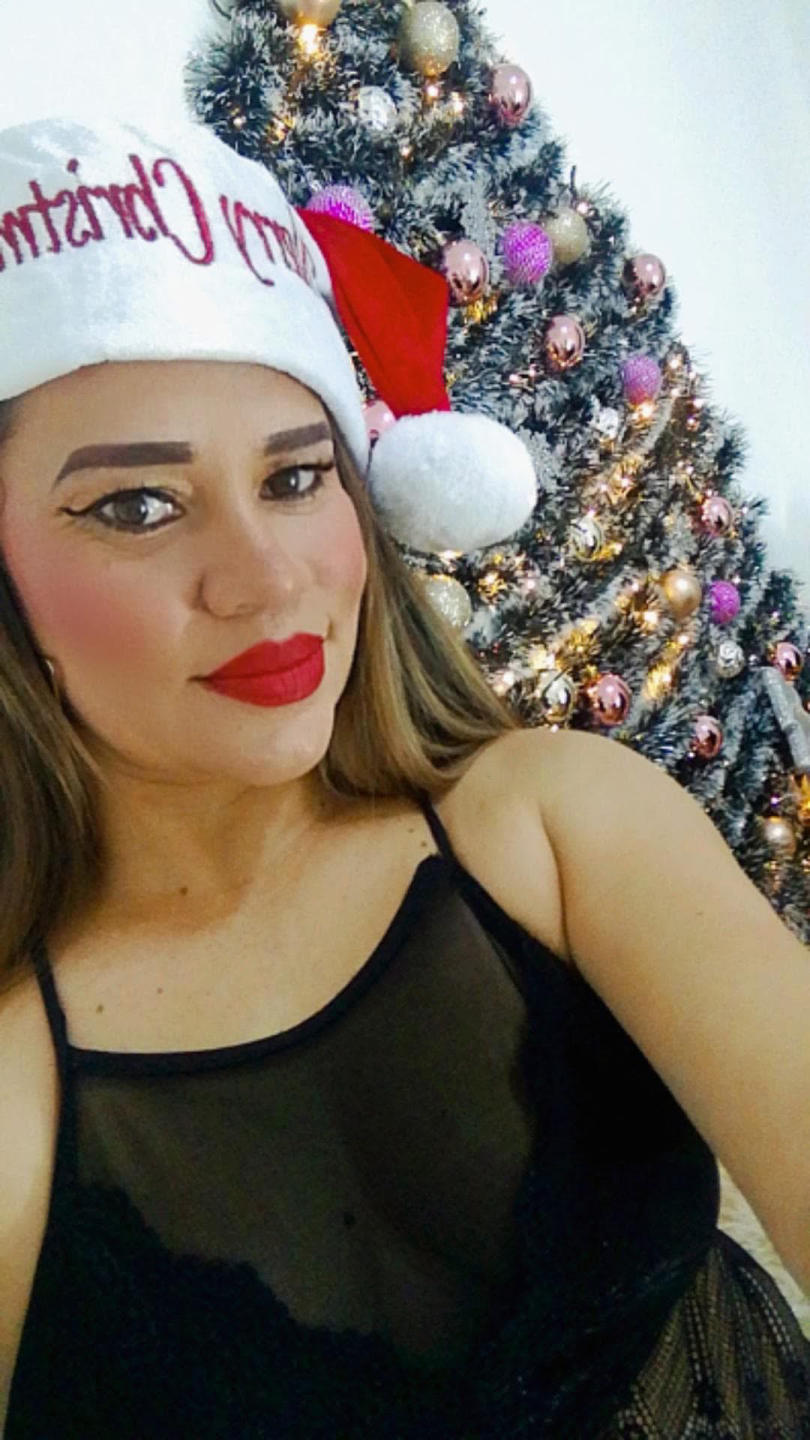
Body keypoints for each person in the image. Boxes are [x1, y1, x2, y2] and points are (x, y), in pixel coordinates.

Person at [0, 115, 808, 1440]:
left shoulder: (560, 828)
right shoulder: (19, 1093)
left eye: (295, 477)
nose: (264, 579)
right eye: (136, 505)